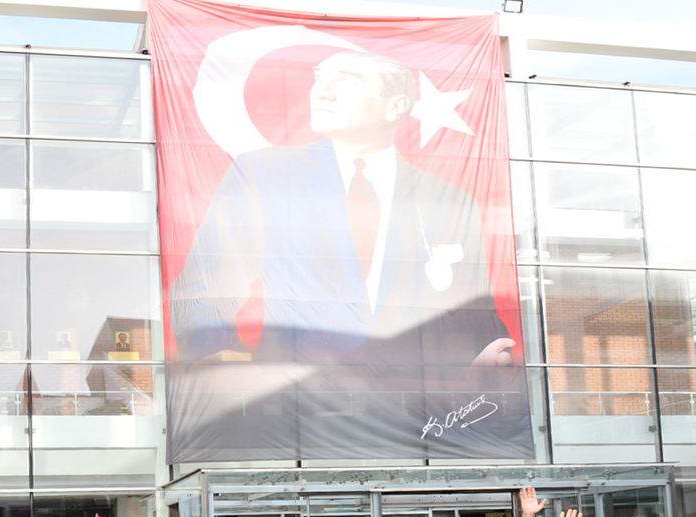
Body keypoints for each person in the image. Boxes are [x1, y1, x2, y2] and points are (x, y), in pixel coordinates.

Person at [167, 50, 526, 461]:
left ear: (395, 106)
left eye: (347, 80)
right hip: (295, 414)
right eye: (319, 76)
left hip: (416, 418)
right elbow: (205, 284)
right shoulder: (263, 174)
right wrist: (220, 363)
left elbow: (470, 306)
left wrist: (488, 354)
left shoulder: (447, 198)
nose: (322, 91)